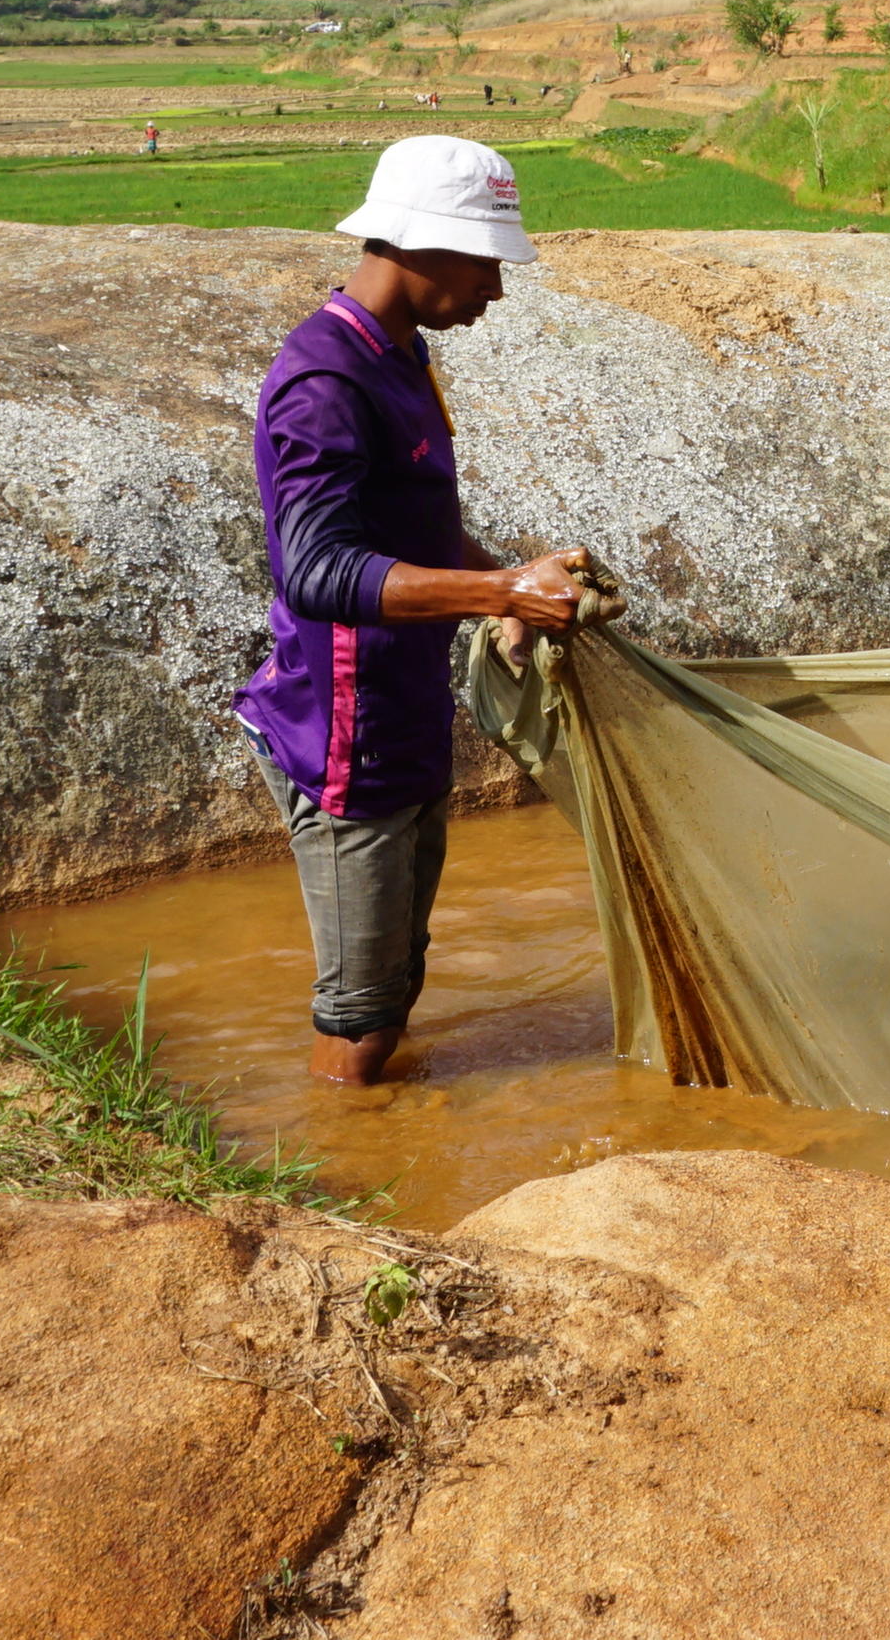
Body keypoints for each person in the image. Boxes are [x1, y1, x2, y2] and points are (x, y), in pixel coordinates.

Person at [234, 134, 592, 1086]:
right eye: (484, 262)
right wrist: (502, 592)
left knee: (395, 991)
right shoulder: (325, 381)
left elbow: (413, 531)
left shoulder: (401, 355)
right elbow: (317, 570)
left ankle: (387, 1139)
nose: (496, 289)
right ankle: (342, 1156)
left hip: (404, 718)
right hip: (344, 739)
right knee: (359, 1024)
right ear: (418, 245)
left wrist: (505, 580)